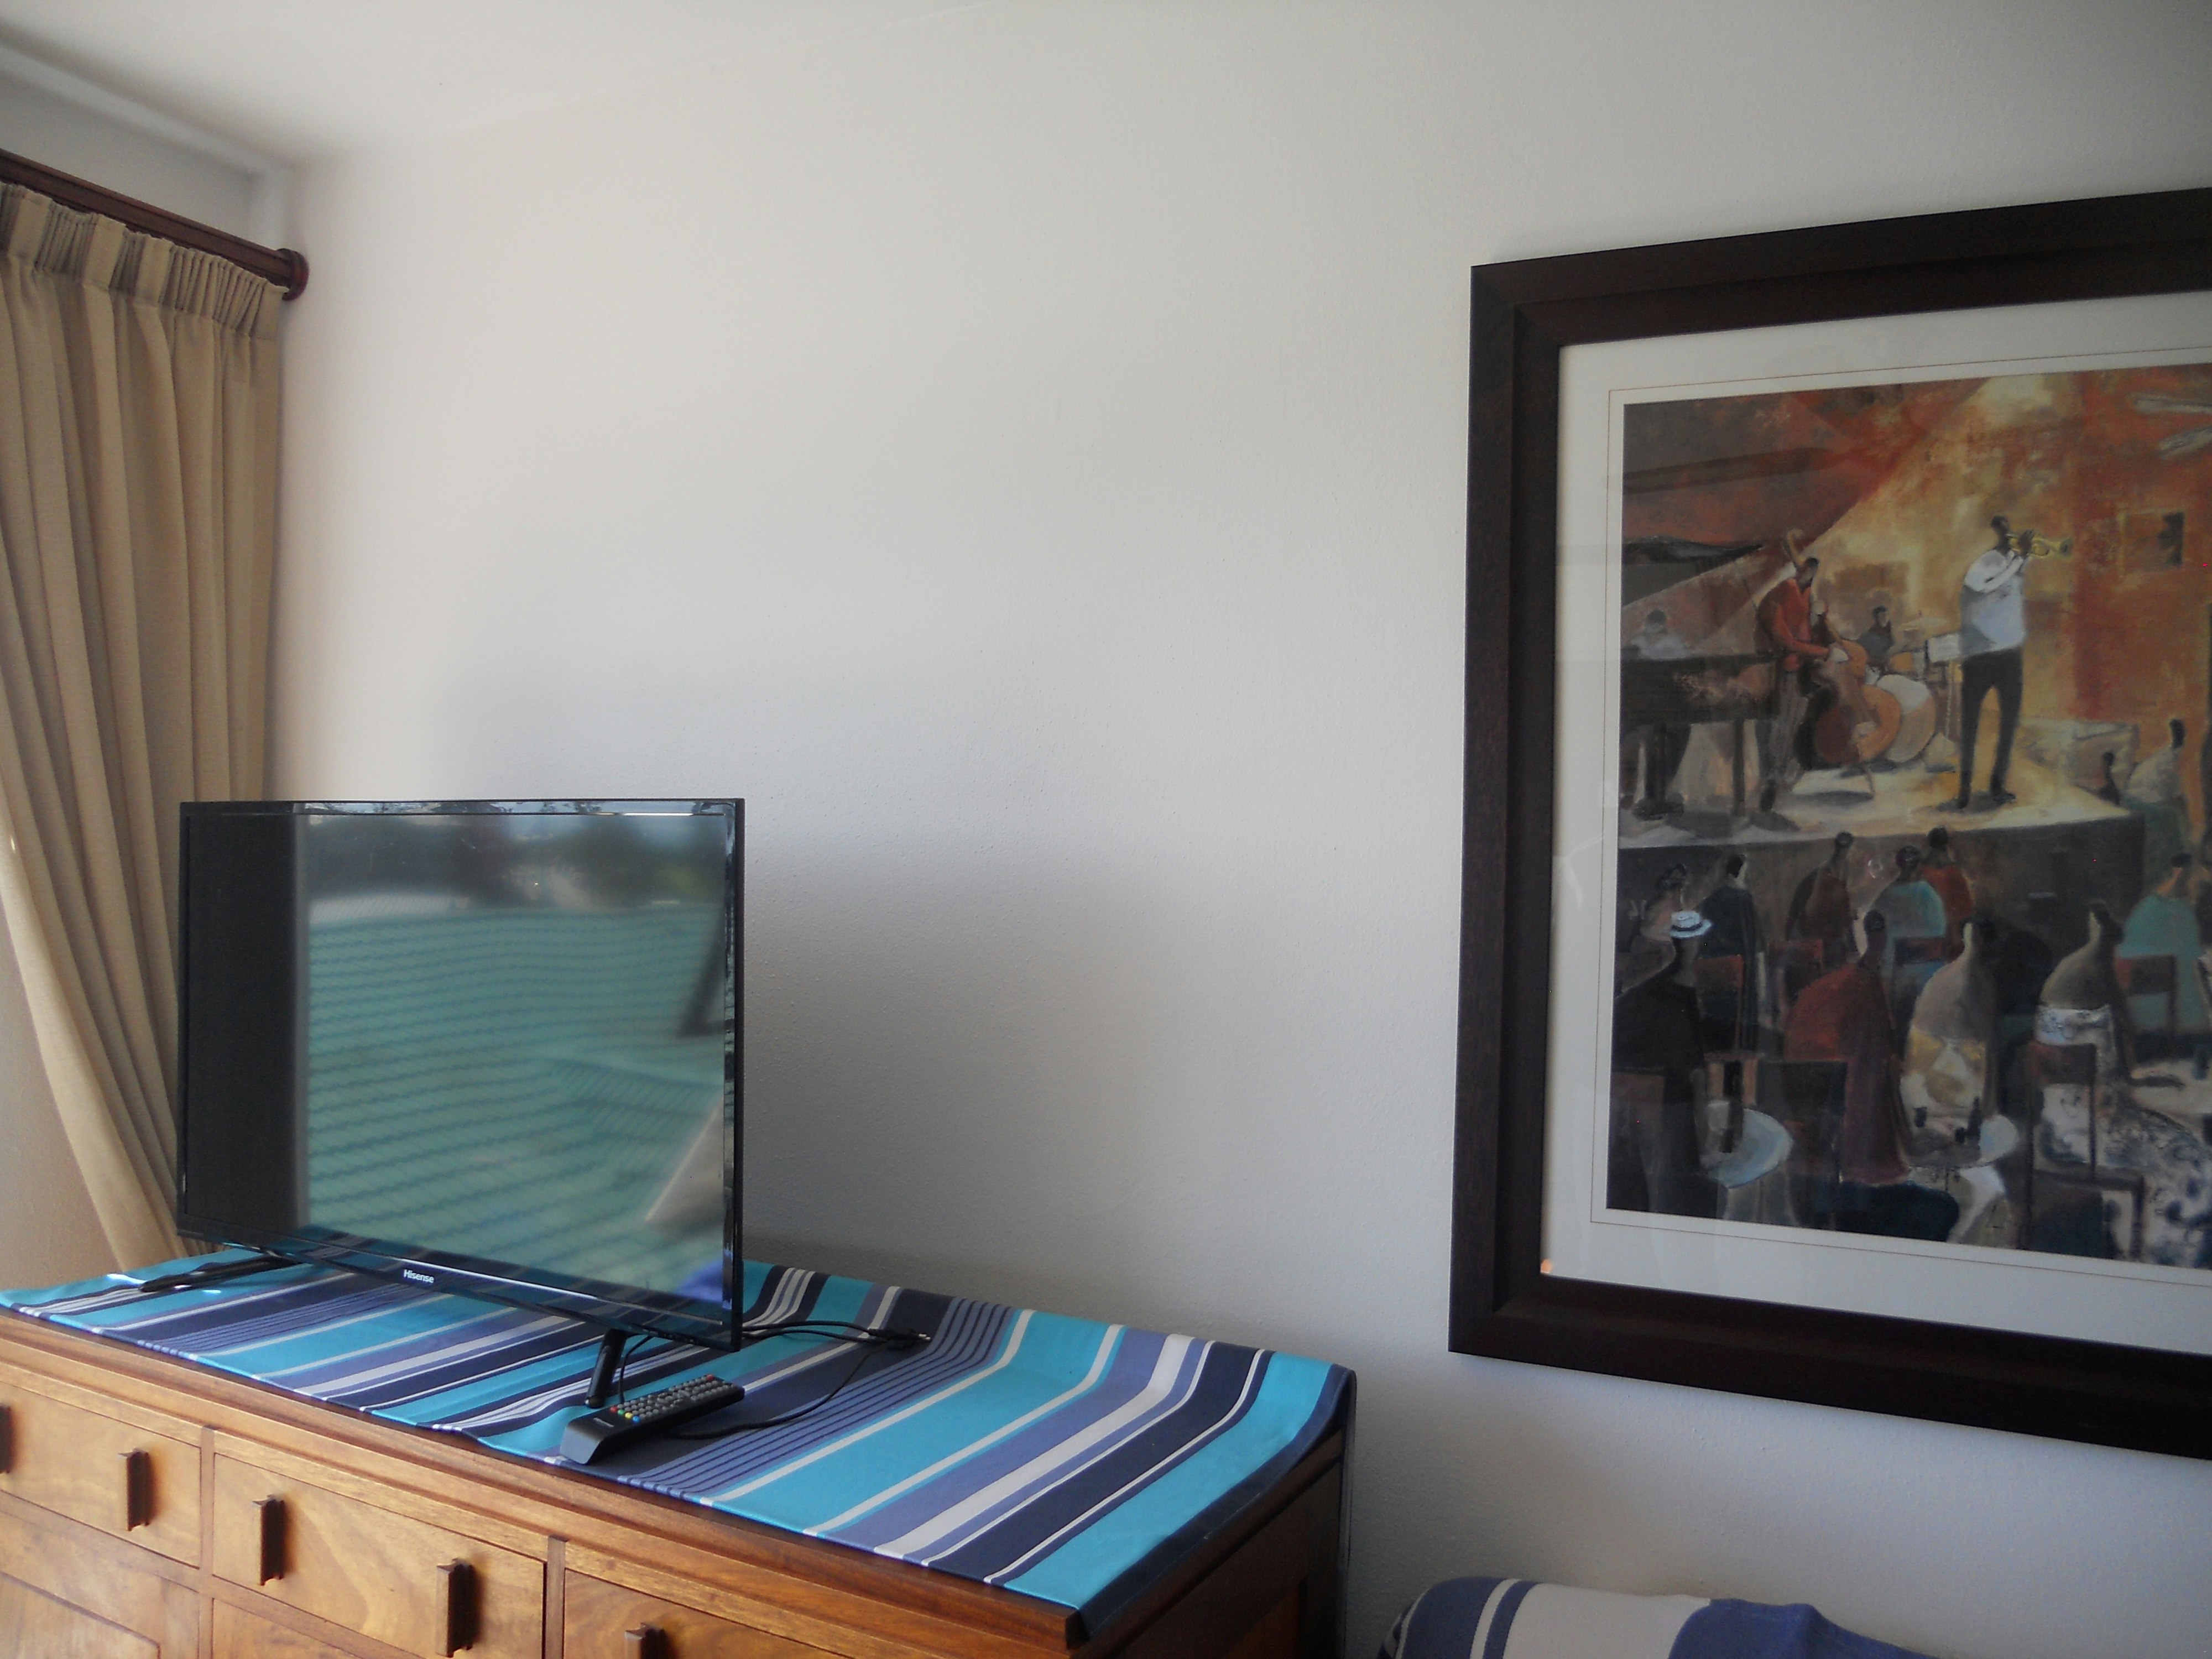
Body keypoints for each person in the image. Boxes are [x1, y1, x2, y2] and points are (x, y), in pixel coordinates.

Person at [1611, 912, 1722, 1218]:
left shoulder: (1667, 990)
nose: (1691, 946)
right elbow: (1694, 1074)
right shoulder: (1666, 996)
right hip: (1671, 1104)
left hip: (1667, 1099)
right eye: (1689, 940)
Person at [1948, 515, 2028, 811]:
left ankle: (1998, 786)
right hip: (1979, 657)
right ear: (1997, 533)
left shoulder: (2013, 567)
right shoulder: (1984, 564)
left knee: (2009, 725)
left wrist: (2021, 561)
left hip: (2010, 656)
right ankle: (1964, 789)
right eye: (2005, 532)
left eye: (2011, 532)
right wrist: (2018, 561)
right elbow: (1981, 587)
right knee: (1970, 726)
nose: (2010, 536)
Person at [2120, 852, 2212, 1074]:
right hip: (2185, 1031)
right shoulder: (2184, 913)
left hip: (2138, 1026)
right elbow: (2197, 955)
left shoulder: (2145, 908)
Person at [1754, 541, 1825, 813]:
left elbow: (1805, 629)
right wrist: (1822, 652)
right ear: (1802, 570)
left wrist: (1819, 618)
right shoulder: (1782, 594)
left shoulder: (1806, 593)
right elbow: (1785, 640)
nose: (1810, 576)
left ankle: (1782, 775)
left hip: (1799, 667)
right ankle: (1771, 781)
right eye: (1807, 571)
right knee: (1778, 726)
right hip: (1780, 669)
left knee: (1793, 722)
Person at [1871, 844, 1948, 1038]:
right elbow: (1941, 936)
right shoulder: (1932, 896)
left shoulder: (1886, 897)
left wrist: (1885, 981)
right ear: (1919, 866)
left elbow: (1884, 947)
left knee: (1902, 1032)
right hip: (1934, 976)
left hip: (1902, 977)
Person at [1696, 852, 1765, 1051]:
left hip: (1714, 971)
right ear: (1741, 872)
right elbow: (1755, 941)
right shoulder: (1744, 900)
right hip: (1741, 970)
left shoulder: (1709, 901)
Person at [2124, 717, 2194, 883]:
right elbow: (2176, 798)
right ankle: (2175, 865)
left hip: (2134, 801)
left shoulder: (2159, 759)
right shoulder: (2169, 761)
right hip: (2145, 805)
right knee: (2174, 821)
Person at [1783, 832, 1858, 986]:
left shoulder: (1842, 870)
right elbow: (1798, 908)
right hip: (1820, 938)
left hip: (1826, 936)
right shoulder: (1821, 876)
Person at [1922, 826, 1974, 957]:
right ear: (1947, 843)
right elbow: (1965, 906)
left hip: (1932, 930)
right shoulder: (1953, 871)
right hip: (1950, 930)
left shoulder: (1923, 871)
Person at [1858, 604, 1895, 670]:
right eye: (1882, 616)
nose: (1885, 619)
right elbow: (1876, 656)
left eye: (1886, 616)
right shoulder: (1870, 636)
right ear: (1877, 619)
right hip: (1873, 669)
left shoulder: (1888, 633)